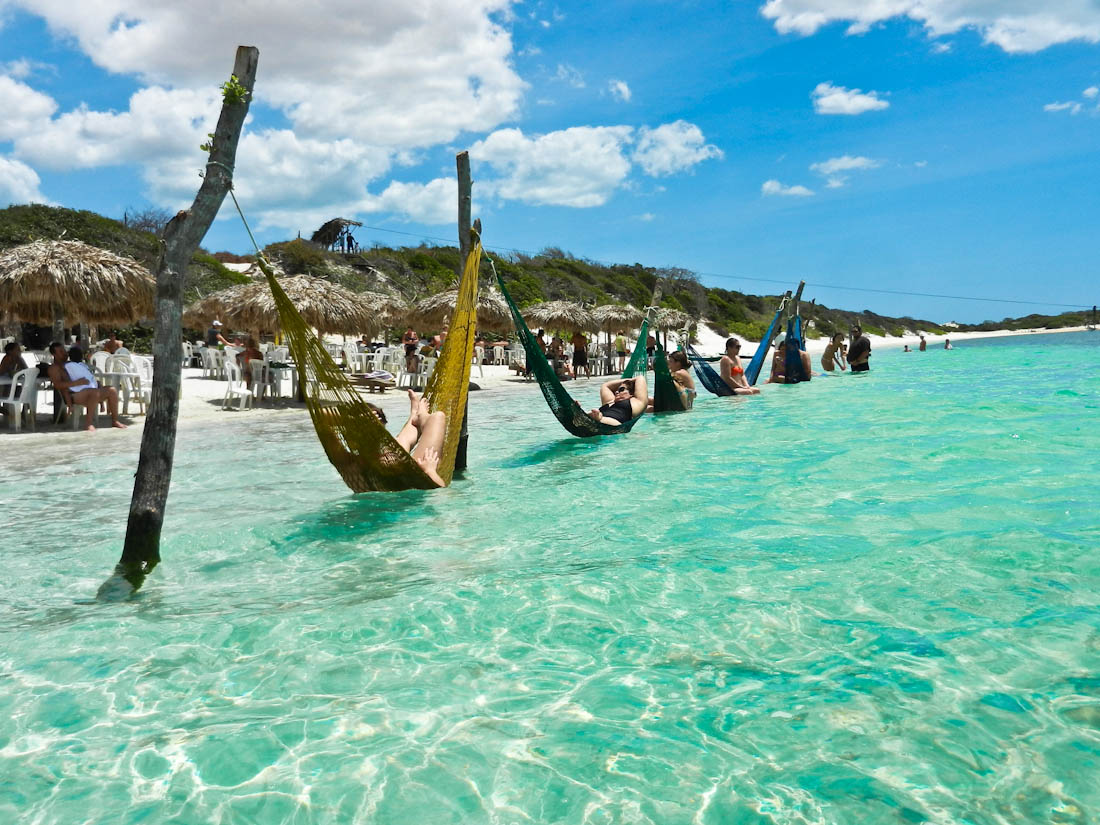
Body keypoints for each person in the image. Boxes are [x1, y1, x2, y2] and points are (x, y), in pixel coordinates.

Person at [370, 390, 447, 487]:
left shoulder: (381, 455)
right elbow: (441, 491)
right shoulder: (362, 461)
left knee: (399, 443)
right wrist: (430, 471)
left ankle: (415, 415)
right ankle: (419, 416)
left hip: (404, 473)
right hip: (415, 482)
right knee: (437, 417)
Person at [47, 342, 126, 430]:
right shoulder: (54, 368)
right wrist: (77, 383)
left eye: (64, 351)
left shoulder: (74, 364)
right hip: (73, 394)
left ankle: (115, 421)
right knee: (93, 392)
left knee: (112, 390)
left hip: (88, 391)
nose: (65, 353)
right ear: (54, 354)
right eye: (61, 352)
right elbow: (57, 385)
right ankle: (88, 423)